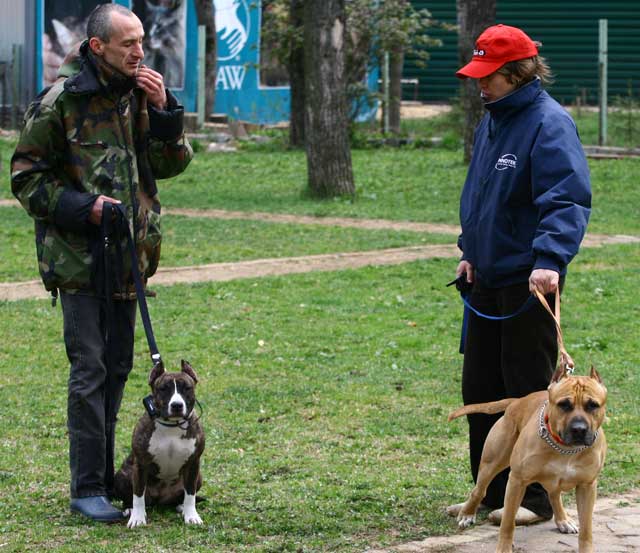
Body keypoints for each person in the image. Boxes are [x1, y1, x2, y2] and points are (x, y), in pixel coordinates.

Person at [11, 4, 192, 522]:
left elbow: (170, 165)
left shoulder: (136, 95)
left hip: (130, 260)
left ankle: (117, 477)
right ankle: (86, 486)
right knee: (89, 371)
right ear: (98, 48)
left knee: (117, 369)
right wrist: (82, 207)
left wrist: (164, 114)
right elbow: (24, 178)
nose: (141, 52)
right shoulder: (60, 103)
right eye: (128, 44)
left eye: (142, 42)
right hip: (79, 261)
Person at [449, 24, 591, 525]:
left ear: (518, 72)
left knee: (528, 389)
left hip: (532, 280)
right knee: (483, 391)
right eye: (478, 74)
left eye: (489, 76)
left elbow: (565, 197)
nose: (480, 84)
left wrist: (550, 259)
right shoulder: (492, 120)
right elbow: (483, 196)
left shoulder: (549, 123)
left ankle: (532, 501)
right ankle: (487, 495)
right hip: (486, 277)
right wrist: (471, 250)